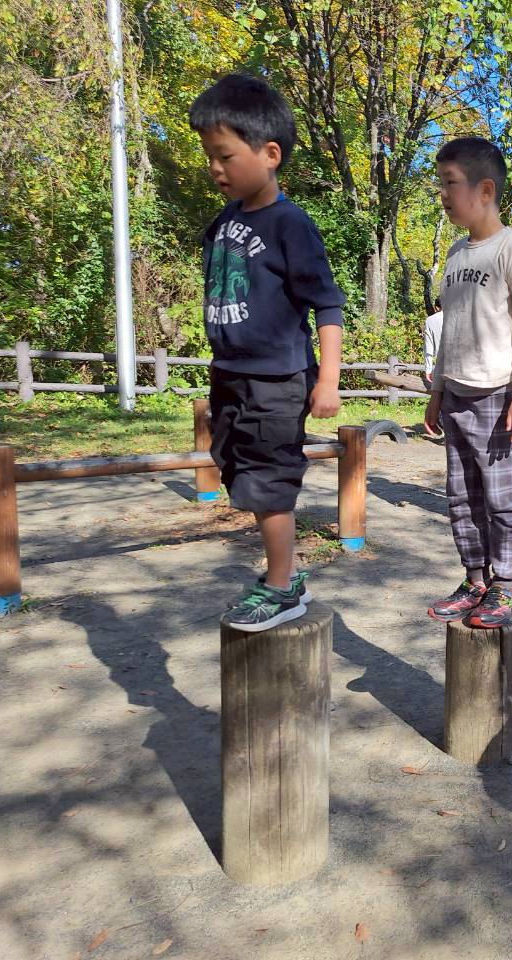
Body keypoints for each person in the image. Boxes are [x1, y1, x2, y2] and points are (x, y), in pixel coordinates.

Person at [190, 74, 344, 631]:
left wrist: (328, 380)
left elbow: (327, 304)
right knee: (239, 470)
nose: (215, 167)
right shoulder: (224, 222)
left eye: (226, 156)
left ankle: (283, 585)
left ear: (269, 153)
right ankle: (283, 575)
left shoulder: (290, 223)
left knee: (270, 478)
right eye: (210, 156)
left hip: (278, 378)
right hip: (230, 373)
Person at [423, 137, 512, 629]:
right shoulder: (456, 255)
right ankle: (475, 580)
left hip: (500, 397)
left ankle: (506, 584)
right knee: (461, 498)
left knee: (501, 499)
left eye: (450, 183)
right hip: (455, 395)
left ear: (484, 190)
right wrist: (437, 392)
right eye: (440, 183)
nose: (442, 193)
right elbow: (450, 333)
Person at [422, 298, 444, 389]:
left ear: (436, 308)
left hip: (441, 366)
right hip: (461, 366)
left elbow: (428, 347)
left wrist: (428, 370)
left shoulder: (430, 320)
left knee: (438, 393)